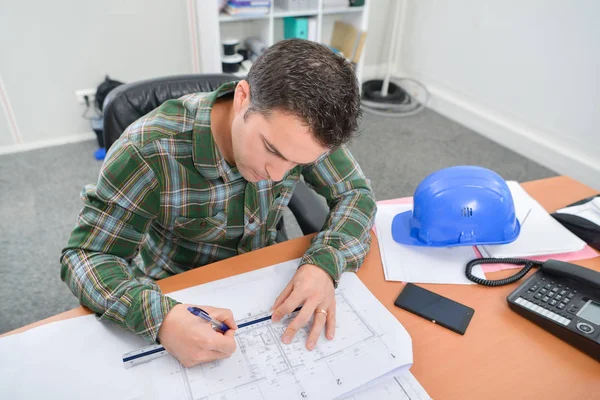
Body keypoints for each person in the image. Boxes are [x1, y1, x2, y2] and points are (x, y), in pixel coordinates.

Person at [60, 39, 376, 368]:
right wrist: (161, 319)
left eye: (297, 164)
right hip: (178, 290)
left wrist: (325, 262)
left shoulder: (302, 132)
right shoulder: (149, 148)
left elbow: (356, 193)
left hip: (264, 276)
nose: (278, 174)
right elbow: (86, 255)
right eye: (272, 150)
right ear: (242, 99)